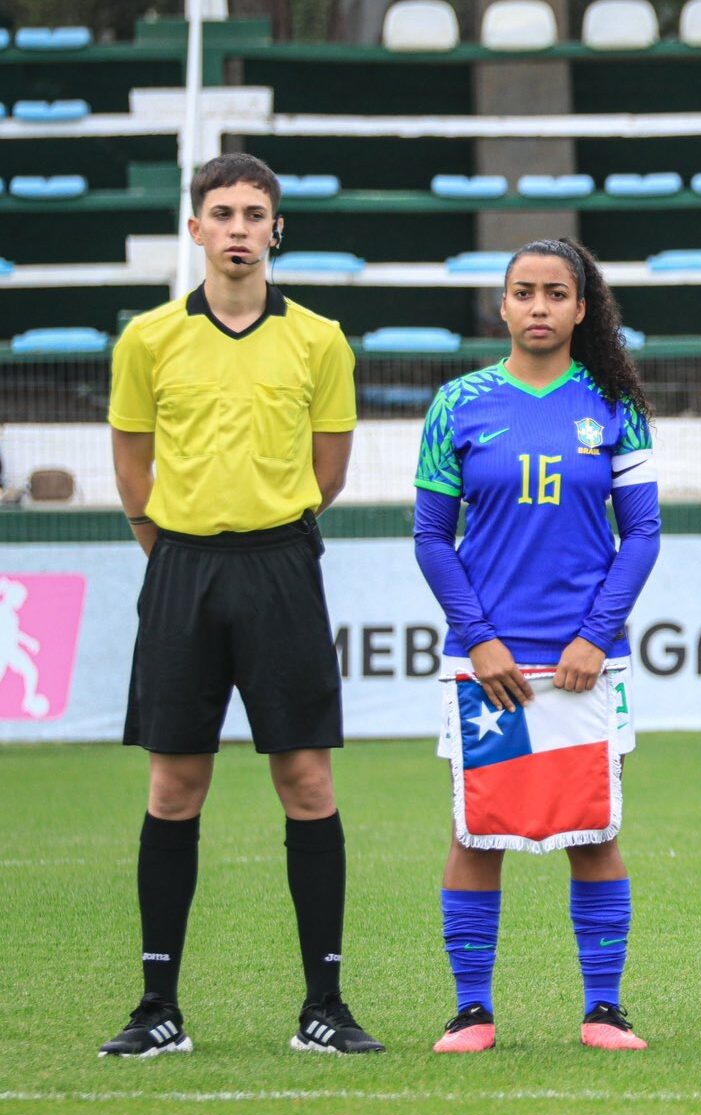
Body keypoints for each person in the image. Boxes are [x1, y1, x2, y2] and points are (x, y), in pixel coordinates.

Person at [101, 152, 381, 1057]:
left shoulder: (321, 339)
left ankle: (323, 1007)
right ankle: (157, 1008)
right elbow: (133, 470)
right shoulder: (147, 340)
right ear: (194, 229)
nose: (237, 229)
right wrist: (182, 549)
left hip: (281, 569)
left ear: (276, 230)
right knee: (175, 787)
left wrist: (258, 535)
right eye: (220, 213)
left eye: (253, 214)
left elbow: (327, 470)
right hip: (181, 570)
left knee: (307, 783)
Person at [413, 239, 661, 1054]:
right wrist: (480, 641)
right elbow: (431, 538)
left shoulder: (615, 401)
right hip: (489, 665)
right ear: (503, 306)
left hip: (586, 664)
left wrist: (594, 636)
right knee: (476, 830)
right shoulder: (458, 403)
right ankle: (472, 1010)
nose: (540, 307)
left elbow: (643, 534)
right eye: (525, 293)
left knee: (593, 829)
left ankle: (605, 1008)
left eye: (557, 293)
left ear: (582, 307)